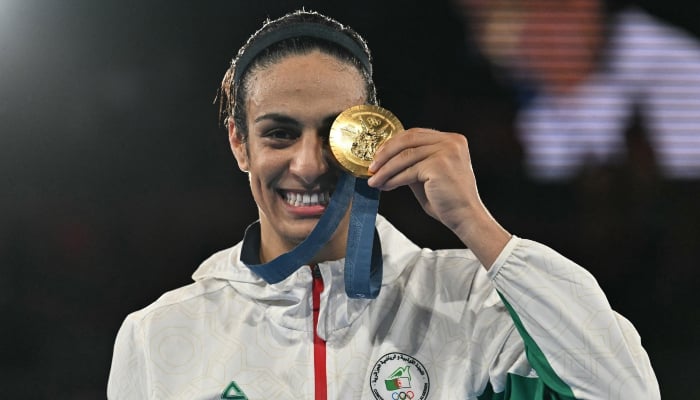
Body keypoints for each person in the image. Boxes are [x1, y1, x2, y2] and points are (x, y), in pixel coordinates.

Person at [107, 10, 660, 399]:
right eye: (278, 134)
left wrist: (476, 224)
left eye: (333, 134)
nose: (307, 164)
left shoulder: (472, 302)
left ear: (368, 137)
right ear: (239, 143)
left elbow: (625, 391)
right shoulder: (160, 334)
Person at [451, 0, 700, 181]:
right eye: (480, 23)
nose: (491, 42)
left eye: (509, 15)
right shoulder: (537, 114)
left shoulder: (678, 75)